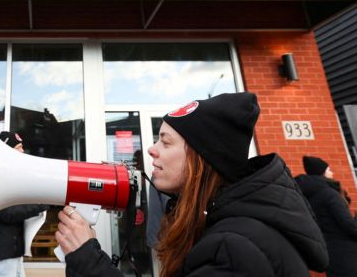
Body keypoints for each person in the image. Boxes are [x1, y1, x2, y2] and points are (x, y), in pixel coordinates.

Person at [56, 92, 329, 277]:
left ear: (201, 158)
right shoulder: (223, 225)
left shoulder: (233, 248)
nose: (151, 150)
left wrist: (88, 262)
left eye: (165, 141)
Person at [0, 131, 49, 277]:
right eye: (19, 147)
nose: (23, 151)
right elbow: (7, 213)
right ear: (6, 150)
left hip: (10, 249)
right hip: (3, 250)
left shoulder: (6, 173)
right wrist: (39, 204)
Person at [295, 155, 357, 277]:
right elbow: (349, 226)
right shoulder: (330, 195)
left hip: (330, 254)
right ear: (322, 173)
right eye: (329, 170)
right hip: (347, 253)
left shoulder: (308, 197)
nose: (332, 173)